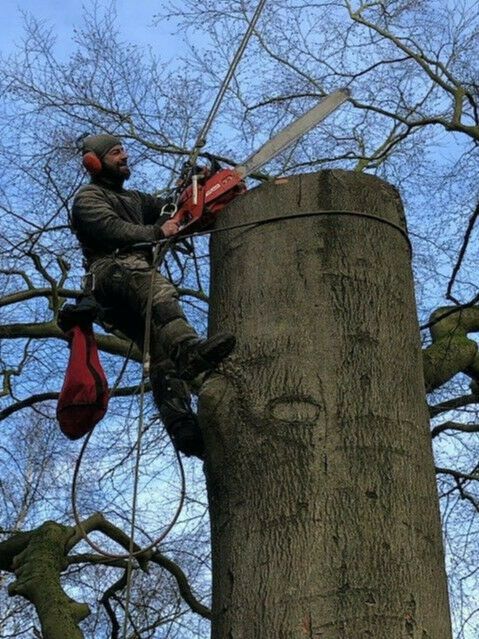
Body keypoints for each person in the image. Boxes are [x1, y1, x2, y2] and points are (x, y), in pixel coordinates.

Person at [70, 133, 235, 458]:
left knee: (160, 353)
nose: (124, 156)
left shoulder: (135, 199)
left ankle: (183, 429)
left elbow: (169, 212)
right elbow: (110, 229)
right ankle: (189, 350)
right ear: (94, 161)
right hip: (110, 275)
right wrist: (156, 232)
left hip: (128, 284)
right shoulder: (88, 197)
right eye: (116, 152)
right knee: (157, 290)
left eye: (123, 150)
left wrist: (194, 190)